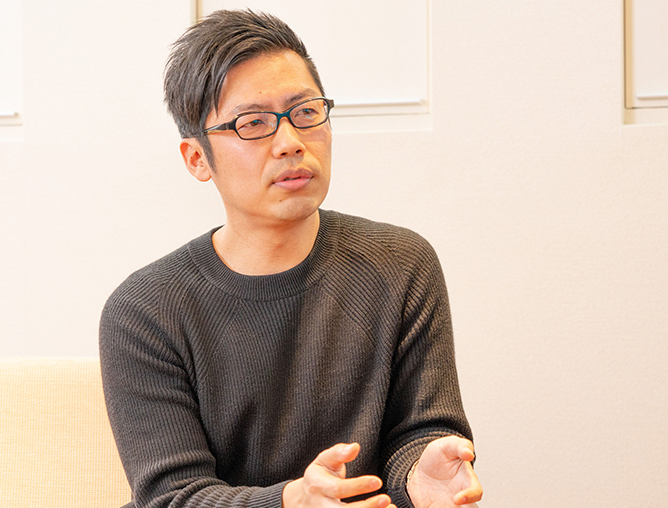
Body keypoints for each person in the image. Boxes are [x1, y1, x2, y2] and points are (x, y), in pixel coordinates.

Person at [99, 9, 482, 508]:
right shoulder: (144, 311)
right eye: (253, 123)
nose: (290, 143)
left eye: (305, 112)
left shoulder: (401, 265)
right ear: (197, 158)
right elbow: (172, 497)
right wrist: (290, 501)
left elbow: (420, 432)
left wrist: (418, 475)